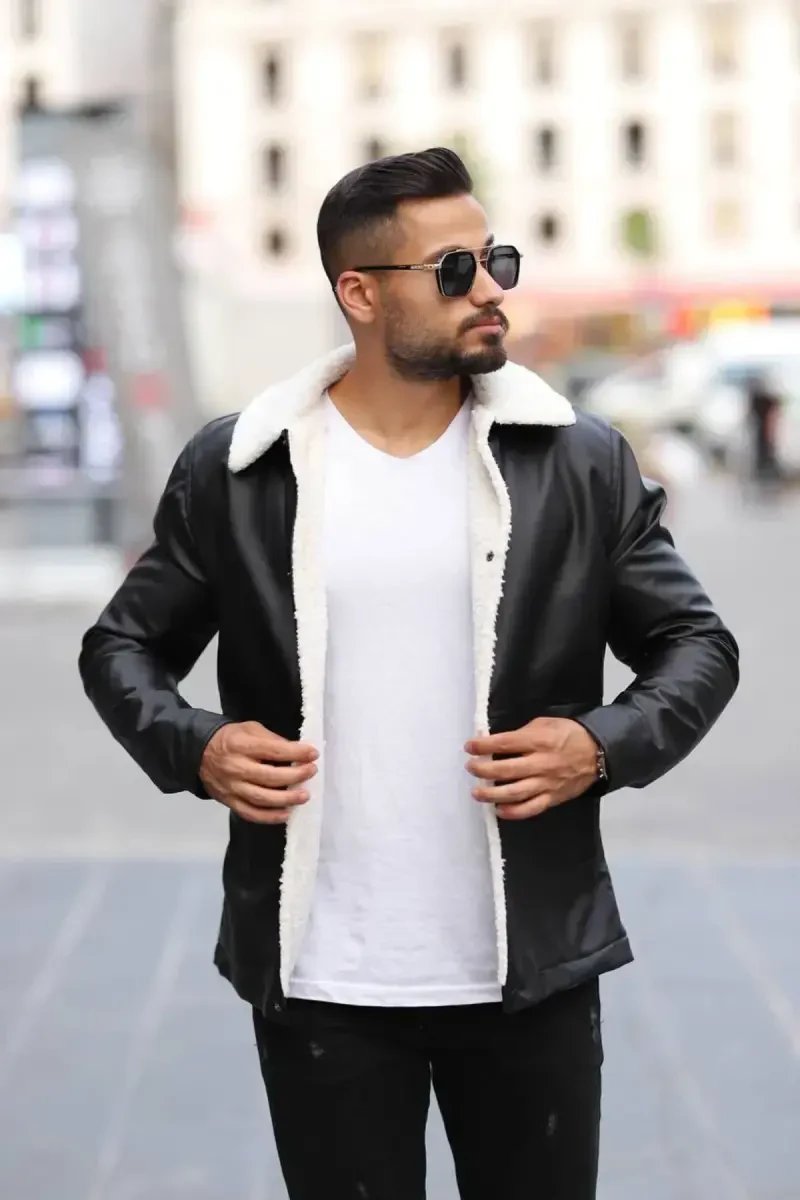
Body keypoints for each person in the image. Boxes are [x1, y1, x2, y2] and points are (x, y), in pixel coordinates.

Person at [79, 148, 739, 1200]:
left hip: (531, 968)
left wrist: (599, 745)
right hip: (321, 973)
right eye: (453, 270)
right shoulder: (243, 466)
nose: (489, 290)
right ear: (360, 294)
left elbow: (697, 644)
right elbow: (121, 646)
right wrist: (193, 746)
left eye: (495, 260)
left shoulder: (576, 459)